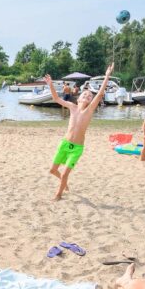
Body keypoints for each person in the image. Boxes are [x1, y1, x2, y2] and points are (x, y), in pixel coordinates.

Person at [45, 62, 114, 201]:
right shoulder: (72, 106)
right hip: (64, 144)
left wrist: (107, 76)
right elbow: (56, 98)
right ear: (79, 97)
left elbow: (100, 94)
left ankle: (58, 195)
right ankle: (64, 183)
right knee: (53, 170)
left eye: (89, 95)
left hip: (76, 148)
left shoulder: (89, 111)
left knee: (65, 174)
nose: (88, 96)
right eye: (85, 94)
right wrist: (51, 84)